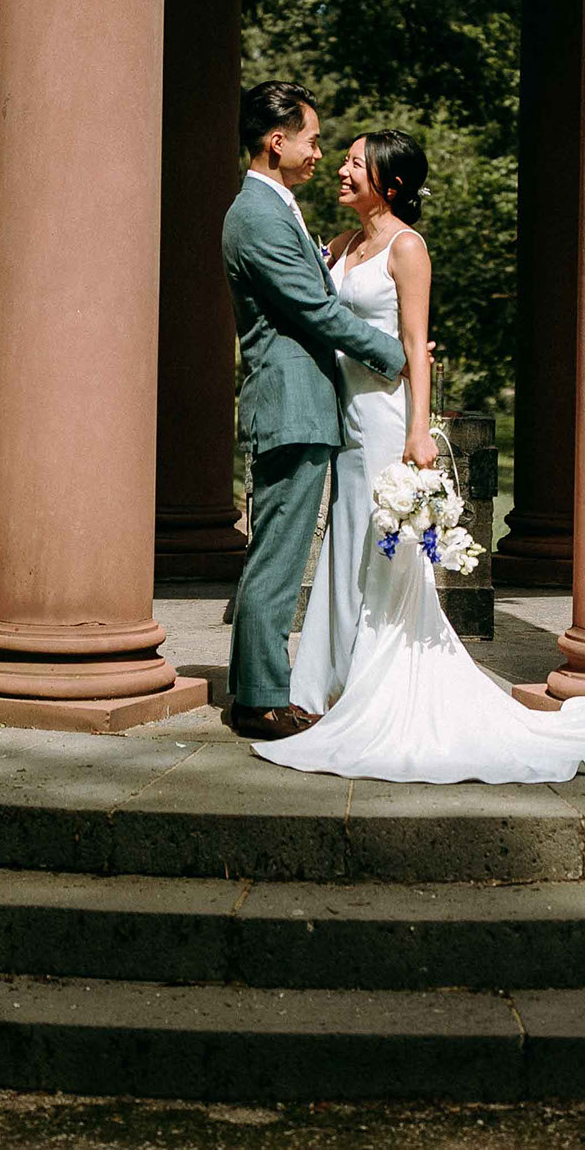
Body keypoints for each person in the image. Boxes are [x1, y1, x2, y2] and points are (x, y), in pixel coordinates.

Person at [257, 129, 585, 784]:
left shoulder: (407, 249)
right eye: (347, 159)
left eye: (357, 162)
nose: (345, 170)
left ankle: (373, 687)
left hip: (385, 420)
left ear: (391, 180)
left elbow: (416, 348)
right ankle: (323, 683)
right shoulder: (342, 245)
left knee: (385, 549)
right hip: (343, 419)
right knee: (344, 543)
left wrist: (419, 433)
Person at [220, 82, 408, 741]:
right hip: (291, 400)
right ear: (277, 142)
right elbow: (315, 309)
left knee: (278, 548)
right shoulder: (259, 215)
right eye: (313, 140)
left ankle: (257, 685)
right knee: (278, 553)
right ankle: (261, 700)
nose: (319, 152)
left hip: (303, 401)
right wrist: (396, 353)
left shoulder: (279, 207)